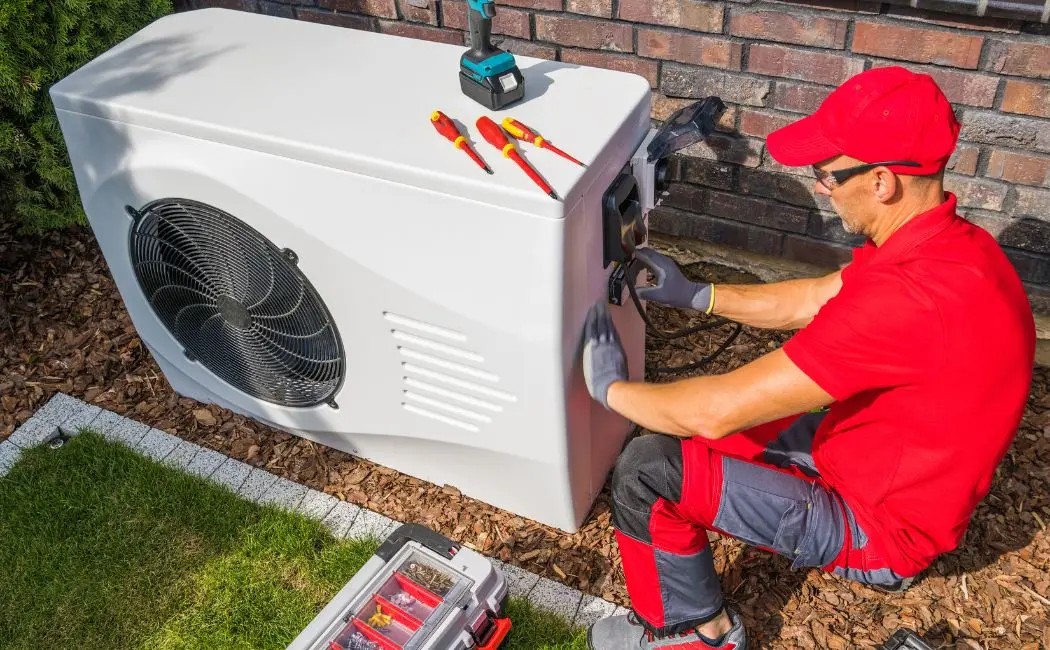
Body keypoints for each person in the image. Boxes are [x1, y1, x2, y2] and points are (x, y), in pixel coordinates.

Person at [579, 66, 1036, 650]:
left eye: (826, 174)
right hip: (876, 458)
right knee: (702, 431)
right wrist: (700, 295)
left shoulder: (909, 301)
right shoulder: (949, 246)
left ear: (881, 182)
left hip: (881, 529)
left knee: (648, 470)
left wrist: (610, 391)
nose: (821, 187)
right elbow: (819, 295)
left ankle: (696, 634)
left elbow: (717, 411)